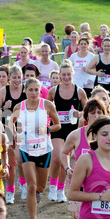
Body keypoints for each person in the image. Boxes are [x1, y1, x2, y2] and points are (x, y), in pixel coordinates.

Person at [10, 78, 61, 219]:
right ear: (25, 90)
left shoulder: (47, 105)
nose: (33, 93)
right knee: (31, 187)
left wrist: (46, 129)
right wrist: (15, 136)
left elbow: (58, 125)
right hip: (26, 149)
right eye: (30, 90)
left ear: (40, 91)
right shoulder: (20, 107)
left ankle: (37, 193)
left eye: (36, 90)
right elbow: (10, 123)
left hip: (44, 150)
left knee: (40, 187)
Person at [46, 60, 87, 202]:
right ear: (59, 75)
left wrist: (79, 113)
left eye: (68, 74)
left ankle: (60, 189)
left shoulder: (79, 91)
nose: (66, 77)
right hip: (58, 128)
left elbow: (87, 111)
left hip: (72, 129)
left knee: (66, 159)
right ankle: (52, 186)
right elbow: (46, 108)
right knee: (57, 157)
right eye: (63, 74)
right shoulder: (53, 91)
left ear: (72, 74)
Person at [61, 98, 108, 219]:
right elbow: (64, 152)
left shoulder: (109, 137)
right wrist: (67, 168)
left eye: (99, 112)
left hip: (100, 184)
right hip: (80, 185)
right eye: (93, 113)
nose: (96, 115)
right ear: (86, 115)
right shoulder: (76, 135)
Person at [0, 65, 27, 204]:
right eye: (14, 77)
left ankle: (23, 183)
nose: (16, 80)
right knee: (12, 162)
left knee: (22, 160)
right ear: (9, 78)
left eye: (19, 77)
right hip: (7, 127)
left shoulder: (26, 90)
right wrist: (3, 108)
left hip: (23, 127)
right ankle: (10, 191)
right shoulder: (3, 91)